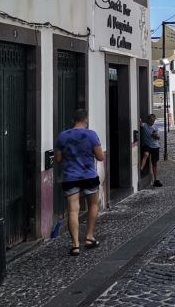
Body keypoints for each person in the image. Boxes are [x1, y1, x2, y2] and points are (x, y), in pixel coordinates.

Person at [55, 109, 104, 256]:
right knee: (93, 205)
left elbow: (58, 159)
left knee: (73, 210)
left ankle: (75, 245)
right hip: (89, 175)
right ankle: (89, 237)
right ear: (86, 120)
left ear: (73, 120)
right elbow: (100, 157)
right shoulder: (91, 135)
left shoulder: (62, 136)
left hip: (70, 177)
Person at [140, 114, 163, 187]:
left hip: (155, 147)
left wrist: (156, 136)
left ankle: (155, 180)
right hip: (146, 145)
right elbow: (140, 123)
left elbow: (158, 138)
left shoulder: (155, 128)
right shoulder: (144, 125)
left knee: (154, 163)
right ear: (148, 120)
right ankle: (141, 169)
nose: (152, 122)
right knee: (146, 154)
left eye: (153, 121)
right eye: (151, 121)